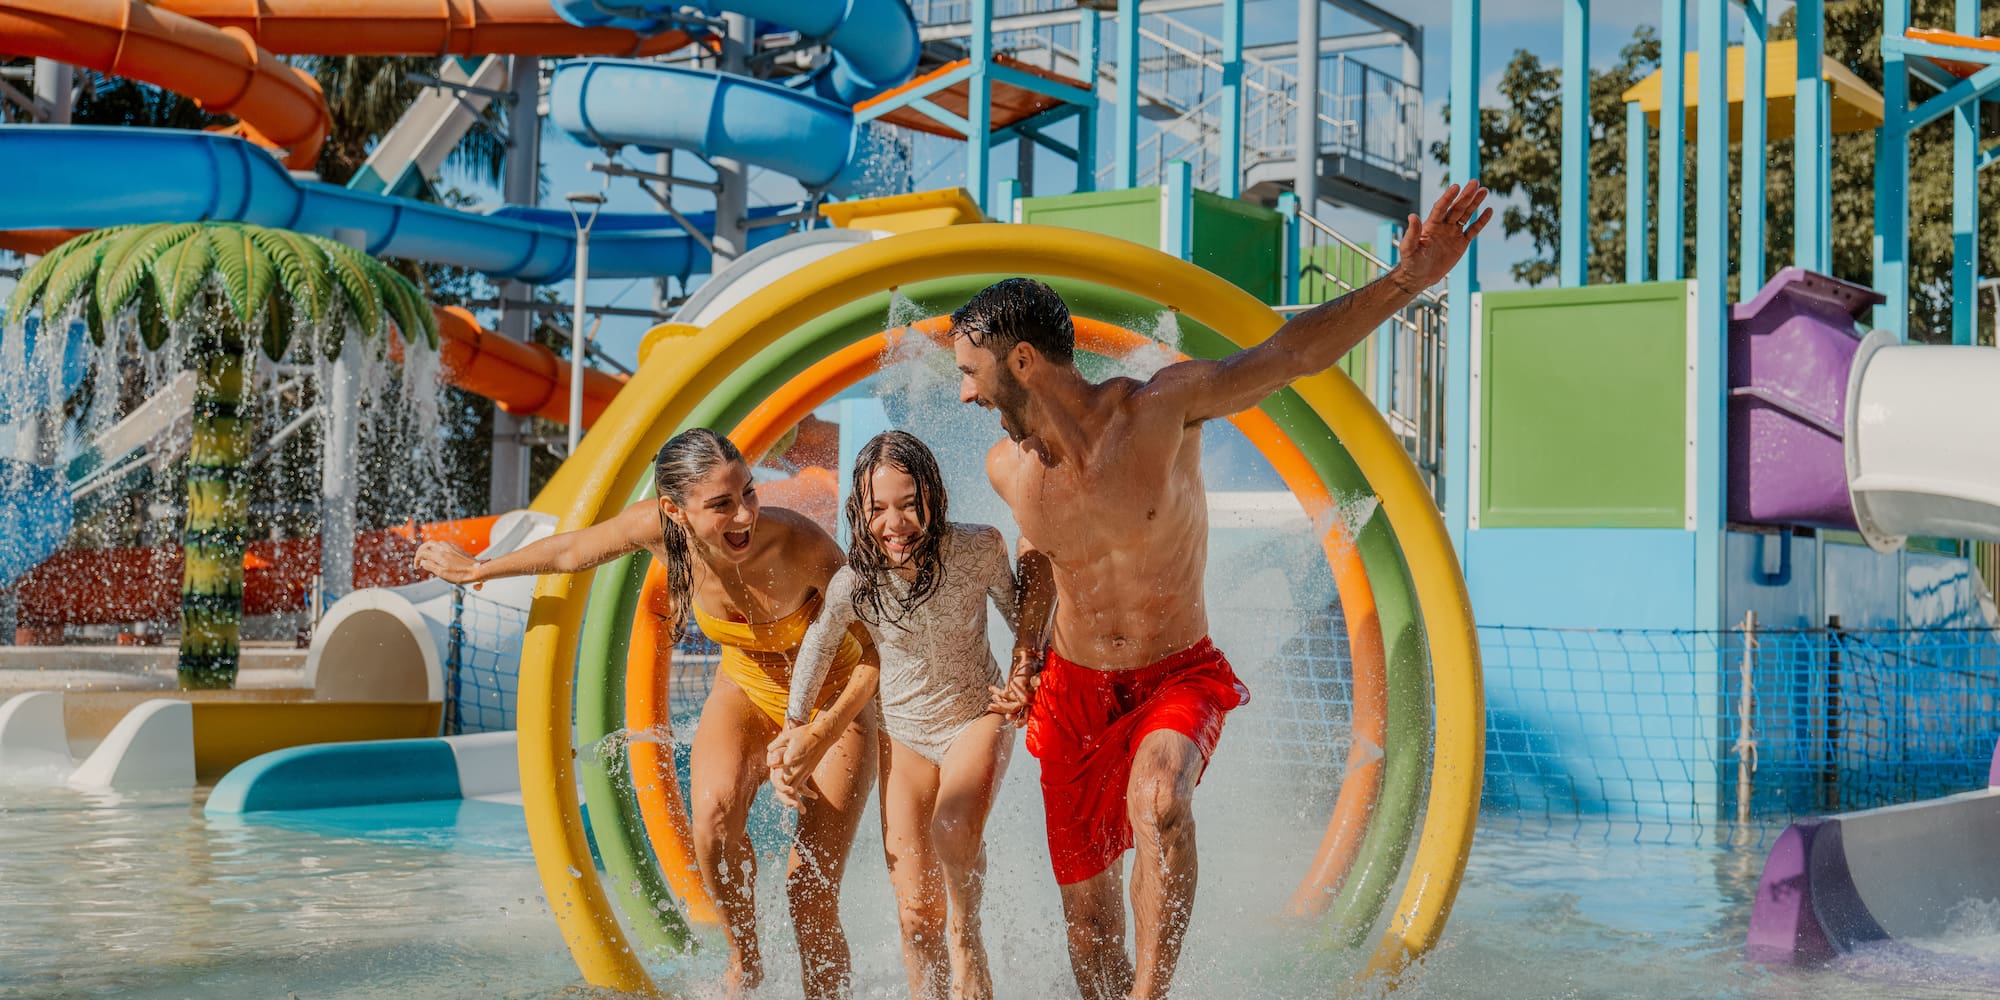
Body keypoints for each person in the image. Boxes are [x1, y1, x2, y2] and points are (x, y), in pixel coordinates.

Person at [964, 182, 1492, 1000]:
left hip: (1175, 673)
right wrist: (1027, 656)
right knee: (1089, 926)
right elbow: (1040, 564)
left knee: (1161, 801)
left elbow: (1286, 356)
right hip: (1070, 694)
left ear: (1022, 361)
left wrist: (1404, 282)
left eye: (972, 371)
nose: (965, 392)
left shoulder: (1160, 410)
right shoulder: (1011, 471)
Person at [413, 428, 880, 1000]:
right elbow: (569, 550)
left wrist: (815, 734)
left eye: (748, 493)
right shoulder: (658, 532)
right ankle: (745, 962)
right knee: (711, 823)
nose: (744, 516)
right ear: (673, 511)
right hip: (746, 691)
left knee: (808, 892)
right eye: (721, 505)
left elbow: (876, 655)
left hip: (835, 707)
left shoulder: (800, 545)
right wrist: (479, 570)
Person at [769, 430, 1053, 1000]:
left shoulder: (978, 549)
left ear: (933, 497)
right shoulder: (857, 582)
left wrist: (1030, 672)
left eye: (908, 504)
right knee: (916, 912)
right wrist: (794, 725)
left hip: (976, 712)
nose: (894, 523)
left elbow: (1022, 611)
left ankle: (967, 936)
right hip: (903, 731)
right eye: (878, 509)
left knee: (953, 829)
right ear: (860, 509)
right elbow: (819, 647)